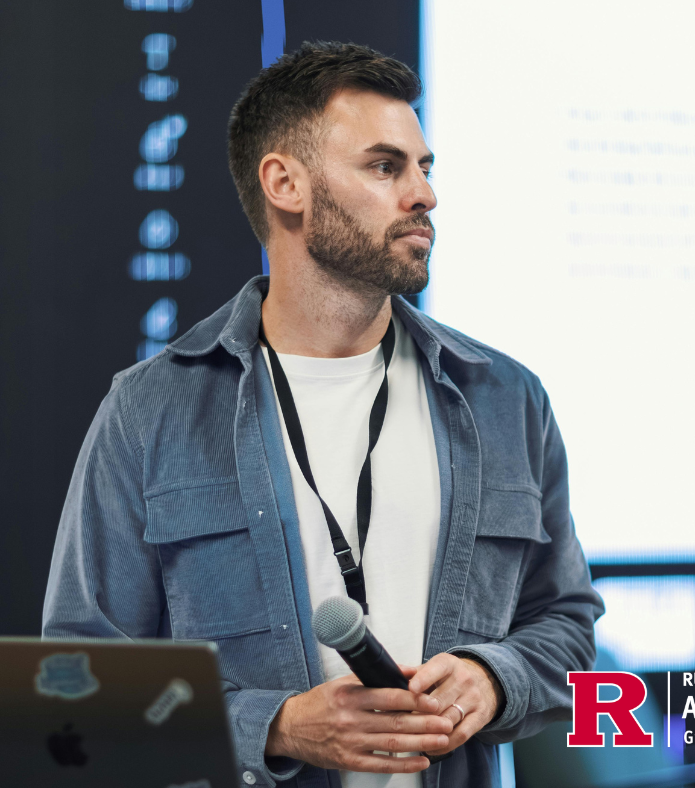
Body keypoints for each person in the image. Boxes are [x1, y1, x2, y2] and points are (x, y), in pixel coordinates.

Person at [43, 41, 604, 788]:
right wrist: (274, 727)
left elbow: (567, 628)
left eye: (424, 167)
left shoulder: (507, 399)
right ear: (286, 184)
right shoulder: (149, 411)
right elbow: (73, 692)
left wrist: (496, 677)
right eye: (385, 166)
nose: (424, 195)